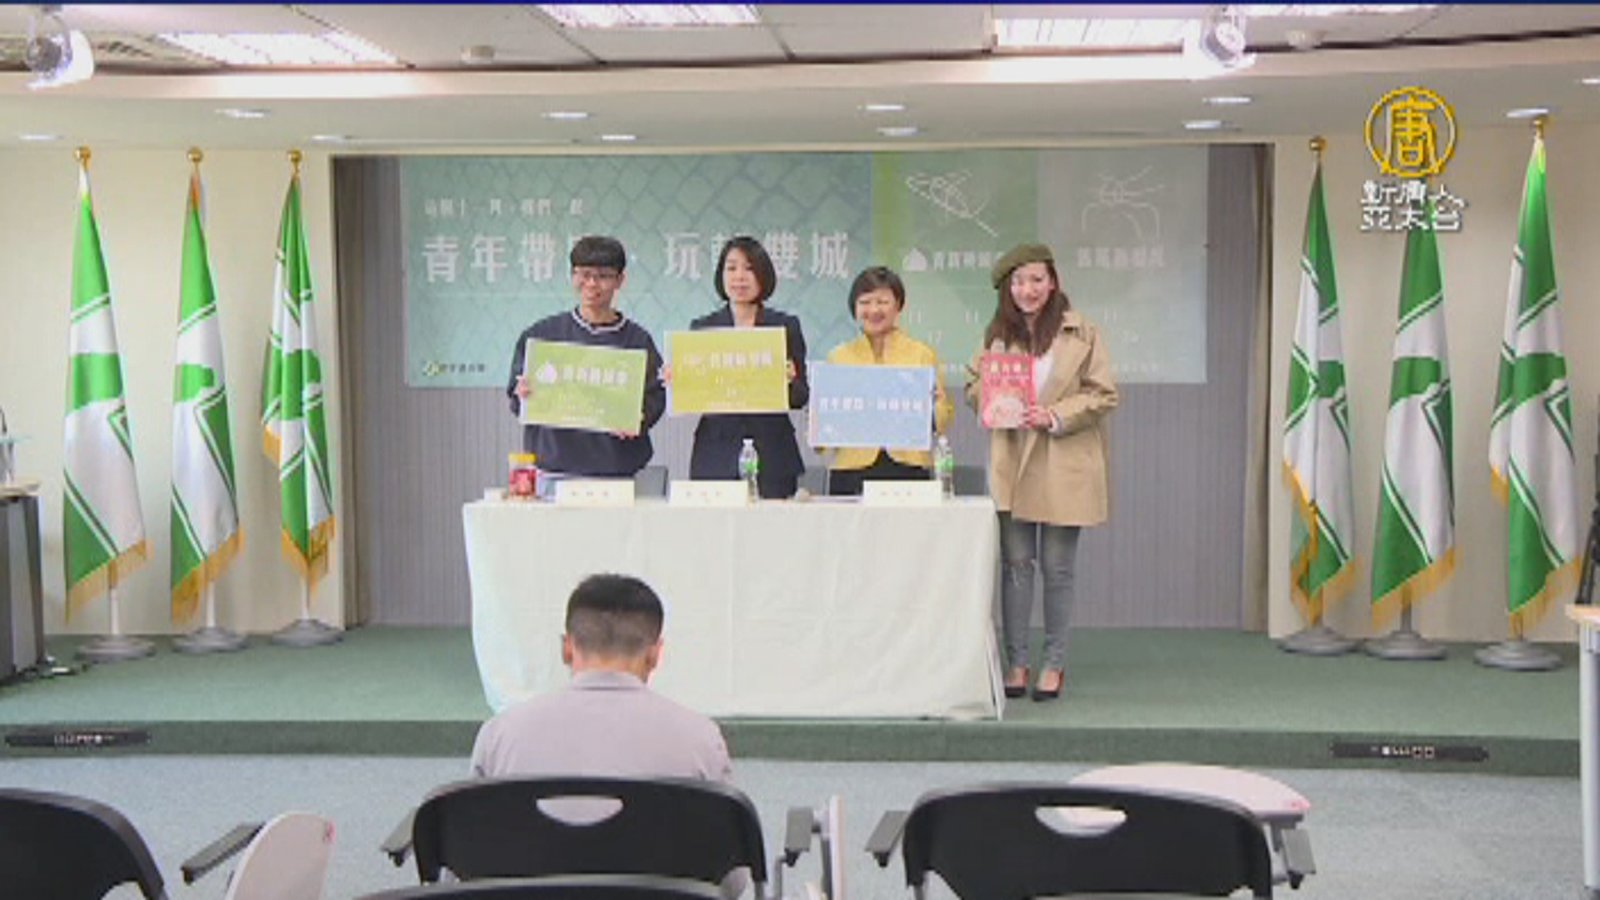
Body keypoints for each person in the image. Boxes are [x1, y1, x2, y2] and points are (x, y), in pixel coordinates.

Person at [966, 243, 1117, 702]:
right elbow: (973, 385)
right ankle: (1017, 662)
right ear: (1007, 289)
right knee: (1015, 567)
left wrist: (1053, 415)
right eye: (1018, 282)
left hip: (1063, 462)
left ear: (1052, 282)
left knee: (1057, 568)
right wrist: (993, 400)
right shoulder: (997, 336)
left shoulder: (1082, 331)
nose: (1027, 290)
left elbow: (1104, 393)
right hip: (1013, 461)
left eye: (1036, 279)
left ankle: (1053, 663)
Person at [470, 573, 731, 782]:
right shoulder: (701, 742)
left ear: (567, 649)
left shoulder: (500, 737)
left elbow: (471, 826)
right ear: (654, 655)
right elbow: (725, 830)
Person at [506, 236, 665, 496]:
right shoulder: (542, 336)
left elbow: (655, 397)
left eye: (603, 276)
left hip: (617, 472)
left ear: (620, 280)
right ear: (572, 276)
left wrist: (639, 417)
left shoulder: (637, 341)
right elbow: (516, 398)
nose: (592, 284)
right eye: (584, 274)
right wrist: (522, 394)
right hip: (553, 471)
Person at [686, 236, 809, 499]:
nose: (739, 277)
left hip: (772, 452)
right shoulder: (703, 329)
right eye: (731, 268)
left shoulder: (785, 327)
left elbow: (800, 397)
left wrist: (789, 380)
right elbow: (693, 396)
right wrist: (680, 381)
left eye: (749, 268)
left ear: (764, 275)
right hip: (716, 452)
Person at [823, 266, 953, 496]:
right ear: (854, 308)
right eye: (865, 302)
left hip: (907, 466)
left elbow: (942, 419)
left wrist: (935, 408)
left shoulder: (921, 354)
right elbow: (824, 430)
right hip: (851, 468)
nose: (873, 310)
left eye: (882, 302)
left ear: (898, 306)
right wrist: (819, 423)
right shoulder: (838, 357)